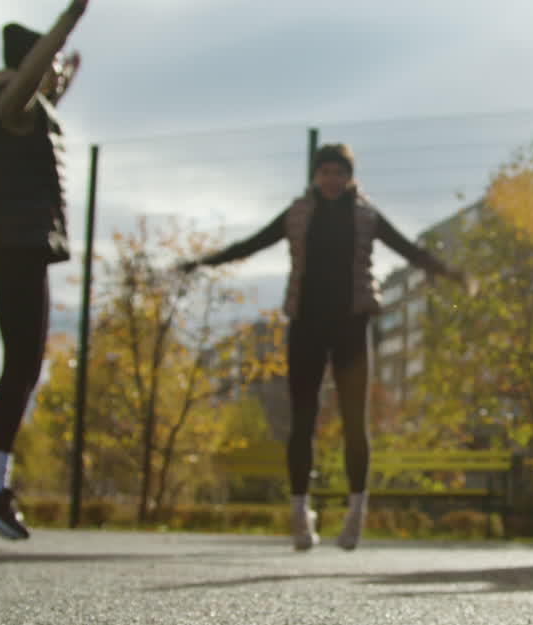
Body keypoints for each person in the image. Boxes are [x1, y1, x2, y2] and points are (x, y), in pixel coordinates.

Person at [179, 144, 467, 551]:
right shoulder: (298, 213)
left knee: (355, 422)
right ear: (315, 176)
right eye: (325, 171)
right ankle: (300, 515)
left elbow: (408, 249)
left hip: (351, 326)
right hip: (306, 326)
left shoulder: (366, 215)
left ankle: (355, 515)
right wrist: (204, 261)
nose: (331, 178)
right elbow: (253, 243)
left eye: (339, 172)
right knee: (302, 419)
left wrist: (450, 273)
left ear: (350, 177)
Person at [0, 0, 88, 541]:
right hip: (15, 245)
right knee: (22, 364)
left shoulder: (28, 112)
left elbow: (49, 84)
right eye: (49, 65)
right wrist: (71, 18)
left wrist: (68, 67)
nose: (54, 76)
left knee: (24, 363)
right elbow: (37, 77)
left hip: (19, 246)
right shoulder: (11, 107)